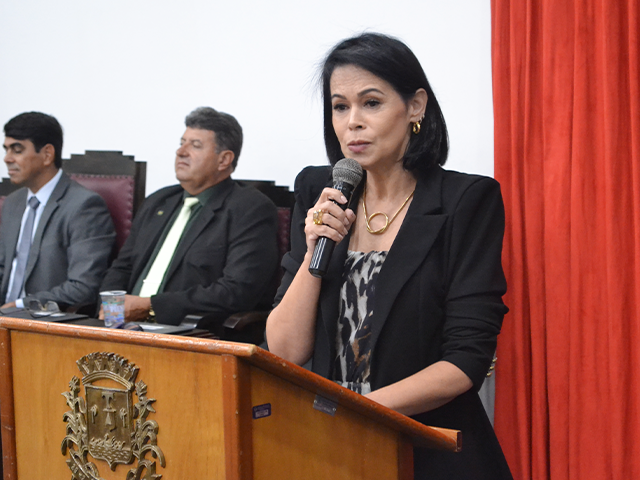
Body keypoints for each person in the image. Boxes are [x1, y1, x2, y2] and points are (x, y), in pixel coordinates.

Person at [265, 33, 512, 479]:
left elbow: (464, 363)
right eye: (340, 107)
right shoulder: (321, 191)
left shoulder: (466, 200)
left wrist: (355, 411)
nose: (352, 123)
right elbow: (286, 349)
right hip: (326, 449)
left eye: (371, 103)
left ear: (415, 106)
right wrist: (312, 255)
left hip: (426, 448)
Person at [100, 107, 279, 326]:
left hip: (186, 331)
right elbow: (122, 268)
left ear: (224, 159)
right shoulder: (158, 201)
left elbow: (236, 291)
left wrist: (150, 307)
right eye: (182, 143)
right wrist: (111, 307)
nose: (181, 152)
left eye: (195, 145)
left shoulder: (249, 209)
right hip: (121, 326)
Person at [0, 112, 115, 310]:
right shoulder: (13, 202)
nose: (7, 158)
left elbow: (83, 287)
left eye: (17, 150)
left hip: (41, 320)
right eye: (6, 150)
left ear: (47, 154)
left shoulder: (84, 206)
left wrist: (19, 306)